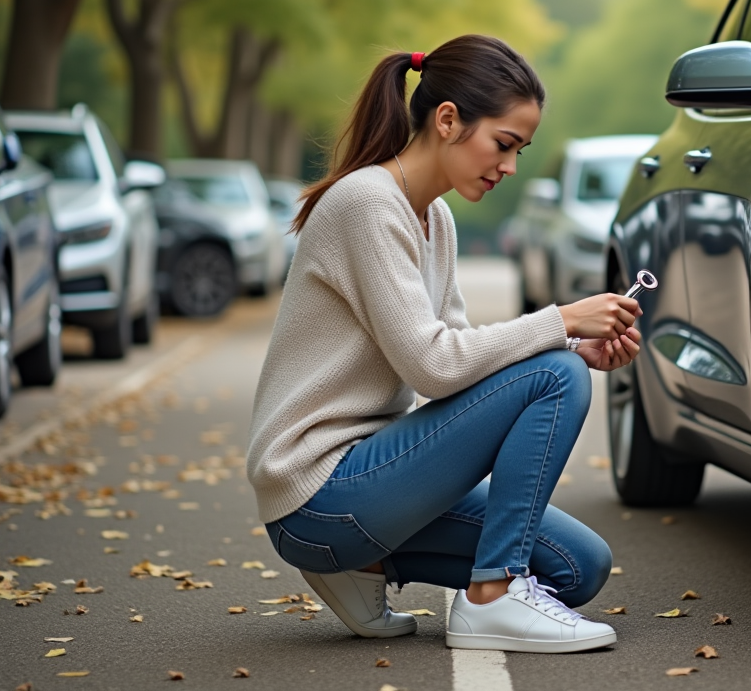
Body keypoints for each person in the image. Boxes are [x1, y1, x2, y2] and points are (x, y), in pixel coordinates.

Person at [246, 34, 643, 653]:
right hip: (320, 490)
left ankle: (366, 566)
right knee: (555, 375)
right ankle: (493, 596)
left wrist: (569, 342)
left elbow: (460, 353)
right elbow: (432, 366)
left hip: (374, 477)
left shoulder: (436, 217)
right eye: (504, 144)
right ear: (449, 120)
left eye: (520, 149)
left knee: (577, 567)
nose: (510, 166)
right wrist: (560, 324)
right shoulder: (367, 204)